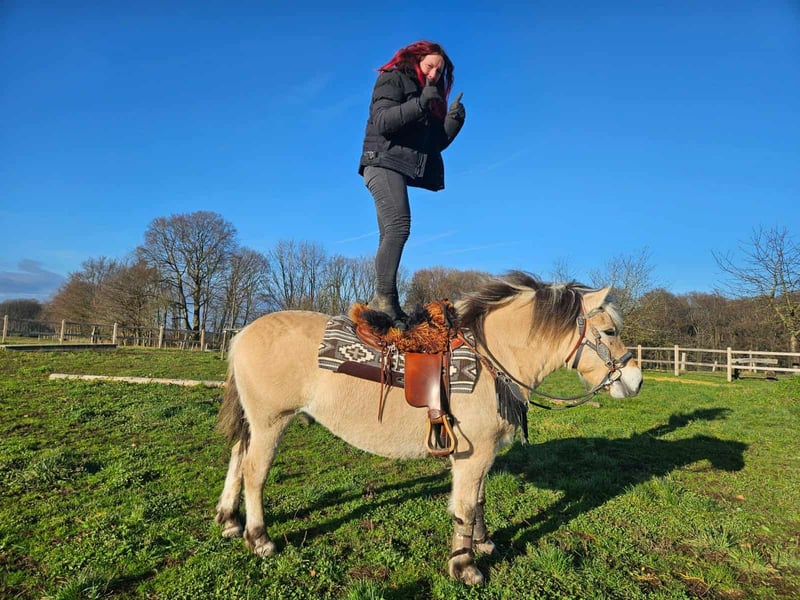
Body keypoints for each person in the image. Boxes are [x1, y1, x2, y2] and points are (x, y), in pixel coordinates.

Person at [358, 40, 466, 329]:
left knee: (390, 232)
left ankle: (386, 303)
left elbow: (432, 145)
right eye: (430, 66)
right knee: (399, 226)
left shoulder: (426, 95)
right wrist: (420, 104)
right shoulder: (392, 78)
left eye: (439, 71)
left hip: (396, 167)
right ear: (416, 59)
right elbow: (383, 121)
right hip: (380, 162)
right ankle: (384, 300)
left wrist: (453, 122)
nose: (434, 74)